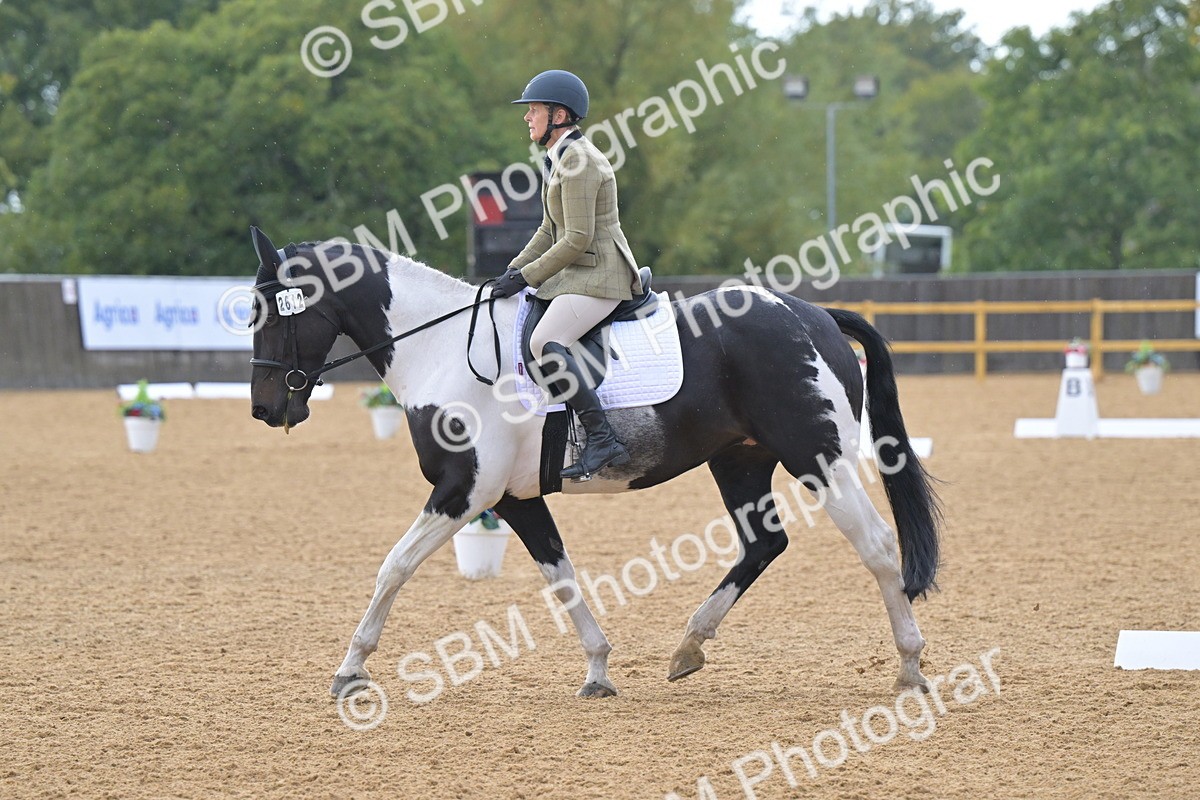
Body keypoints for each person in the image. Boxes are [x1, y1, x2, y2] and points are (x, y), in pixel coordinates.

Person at [490, 69, 643, 479]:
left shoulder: (579, 162)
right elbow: (547, 231)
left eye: (534, 111)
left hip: (601, 275)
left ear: (559, 115)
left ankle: (602, 438)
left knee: (545, 340)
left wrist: (527, 277)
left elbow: (576, 238)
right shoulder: (559, 158)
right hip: (578, 274)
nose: (527, 118)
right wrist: (511, 272)